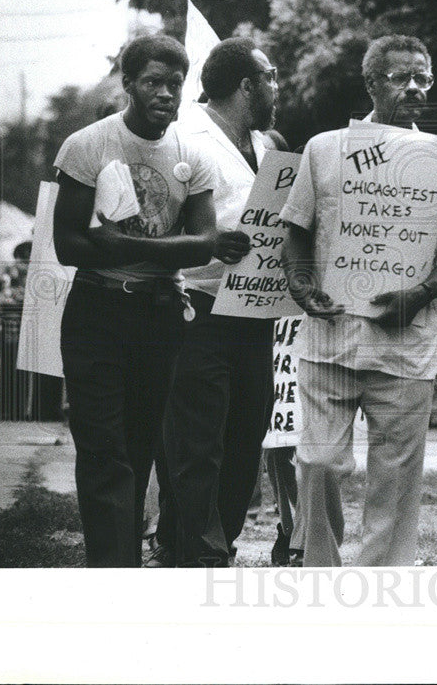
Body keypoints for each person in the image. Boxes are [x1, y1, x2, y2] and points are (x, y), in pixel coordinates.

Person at [280, 34, 437, 567]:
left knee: (394, 477)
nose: (416, 88)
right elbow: (296, 228)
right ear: (371, 83)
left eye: (424, 78)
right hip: (329, 339)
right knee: (318, 462)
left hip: (404, 346)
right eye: (402, 78)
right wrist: (301, 286)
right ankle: (321, 571)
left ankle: (381, 584)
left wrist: (418, 295)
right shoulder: (325, 150)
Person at [53, 33, 238, 567]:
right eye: (153, 82)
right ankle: (112, 570)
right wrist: (167, 248)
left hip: (159, 313)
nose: (164, 93)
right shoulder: (88, 145)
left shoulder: (192, 155)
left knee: (138, 450)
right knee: (103, 449)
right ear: (129, 84)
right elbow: (69, 246)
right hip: (97, 309)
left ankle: (123, 570)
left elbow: (205, 243)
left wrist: (118, 243)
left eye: (174, 84)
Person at [154, 37, 289, 567]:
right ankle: (202, 549)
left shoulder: (271, 144)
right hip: (198, 305)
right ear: (246, 85)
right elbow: (157, 222)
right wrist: (211, 244)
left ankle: (203, 538)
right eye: (272, 76)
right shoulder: (185, 139)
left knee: (246, 436)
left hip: (256, 311)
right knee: (196, 436)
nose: (278, 87)